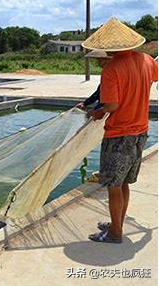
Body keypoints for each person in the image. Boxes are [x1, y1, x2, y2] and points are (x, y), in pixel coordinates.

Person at [82, 18, 158, 243]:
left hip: (119, 135)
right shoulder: (146, 60)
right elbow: (155, 76)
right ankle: (117, 224)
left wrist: (96, 113)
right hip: (140, 132)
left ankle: (115, 233)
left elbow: (112, 106)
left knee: (113, 186)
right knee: (123, 183)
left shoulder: (112, 69)